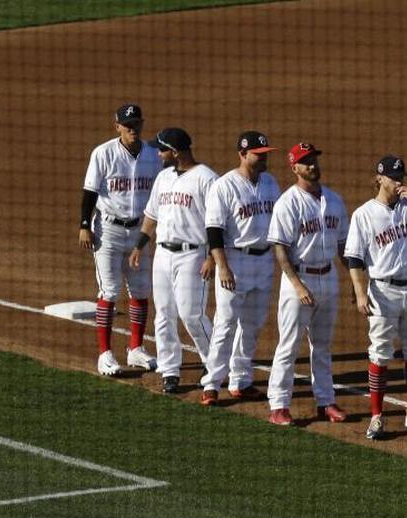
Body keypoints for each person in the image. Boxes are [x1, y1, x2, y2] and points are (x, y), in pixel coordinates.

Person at [346, 155, 407, 438]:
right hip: (382, 291)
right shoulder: (364, 214)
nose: (399, 182)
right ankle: (377, 416)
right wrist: (361, 293)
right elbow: (353, 259)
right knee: (380, 353)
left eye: (402, 177)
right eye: (393, 177)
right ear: (379, 178)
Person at [265, 142, 349, 426]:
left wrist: (355, 281)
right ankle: (278, 405)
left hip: (329, 278)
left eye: (313, 159)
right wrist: (298, 285)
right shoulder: (287, 203)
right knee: (288, 345)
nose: (312, 165)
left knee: (322, 345)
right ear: (294, 168)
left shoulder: (334, 200)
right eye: (305, 161)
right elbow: (280, 249)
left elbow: (342, 245)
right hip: (298, 281)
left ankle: (325, 402)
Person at [129, 127, 218, 394]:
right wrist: (139, 246)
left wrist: (213, 258)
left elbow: (217, 223)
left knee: (192, 314)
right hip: (163, 255)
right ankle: (170, 371)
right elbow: (151, 215)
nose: (158, 153)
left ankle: (214, 363)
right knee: (164, 314)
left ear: (176, 152)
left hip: (193, 255)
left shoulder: (207, 179)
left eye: (162, 149)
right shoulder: (163, 177)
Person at [80, 103, 163, 376]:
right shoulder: (103, 153)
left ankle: (136, 349)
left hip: (140, 232)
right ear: (117, 126)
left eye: (137, 124)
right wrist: (84, 226)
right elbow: (90, 192)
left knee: (140, 290)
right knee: (110, 291)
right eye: (127, 126)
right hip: (108, 230)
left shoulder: (153, 155)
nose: (133, 130)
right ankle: (105, 354)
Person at [198, 131, 280, 405]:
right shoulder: (224, 186)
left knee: (252, 325)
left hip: (264, 260)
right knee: (225, 324)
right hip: (236, 260)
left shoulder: (270, 183)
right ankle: (211, 384)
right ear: (243, 154)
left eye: (266, 152)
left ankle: (241, 380)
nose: (265, 157)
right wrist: (222, 266)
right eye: (260, 153)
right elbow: (214, 231)